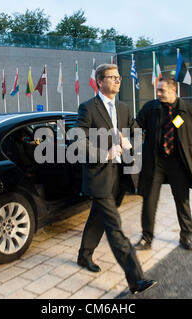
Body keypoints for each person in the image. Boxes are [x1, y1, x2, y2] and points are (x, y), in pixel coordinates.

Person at [75, 63, 157, 294]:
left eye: (118, 77)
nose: (117, 80)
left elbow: (137, 132)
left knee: (98, 217)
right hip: (99, 176)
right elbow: (78, 141)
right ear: (100, 82)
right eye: (111, 77)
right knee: (115, 228)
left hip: (120, 177)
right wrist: (105, 153)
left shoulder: (123, 108)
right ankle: (136, 279)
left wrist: (128, 142)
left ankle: (84, 255)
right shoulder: (88, 108)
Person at [134, 77, 192, 251]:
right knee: (149, 201)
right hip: (155, 163)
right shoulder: (151, 108)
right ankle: (146, 238)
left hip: (179, 163)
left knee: (182, 201)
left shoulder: (188, 109)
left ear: (174, 90)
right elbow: (135, 125)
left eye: (162, 90)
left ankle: (186, 237)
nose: (158, 94)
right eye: (158, 90)